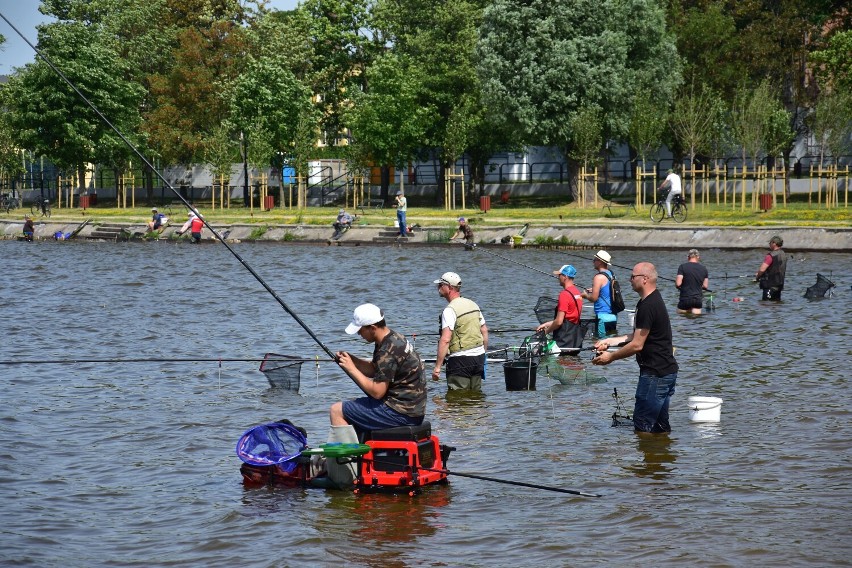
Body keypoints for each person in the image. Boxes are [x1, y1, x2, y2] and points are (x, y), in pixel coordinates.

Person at [592, 262, 678, 433]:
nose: (630, 279)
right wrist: (610, 341)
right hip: (666, 372)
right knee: (660, 427)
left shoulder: (649, 305)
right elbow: (637, 336)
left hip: (655, 374)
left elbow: (637, 345)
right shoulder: (647, 301)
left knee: (642, 426)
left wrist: (610, 357)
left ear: (645, 279)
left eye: (633, 276)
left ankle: (649, 457)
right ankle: (660, 456)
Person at [330, 303, 426, 436]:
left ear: (372, 328)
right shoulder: (393, 338)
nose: (358, 333)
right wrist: (353, 361)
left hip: (401, 413)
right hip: (412, 410)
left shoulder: (387, 350)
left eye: (360, 330)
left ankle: (347, 457)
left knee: (337, 410)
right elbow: (376, 370)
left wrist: (351, 369)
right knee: (353, 405)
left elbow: (377, 392)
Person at [432, 271, 489, 391]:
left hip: (460, 361)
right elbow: (484, 330)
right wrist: (483, 354)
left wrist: (437, 368)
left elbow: (446, 339)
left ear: (450, 287)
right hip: (478, 359)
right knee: (475, 397)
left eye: (441, 285)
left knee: (457, 401)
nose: (438, 287)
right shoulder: (473, 304)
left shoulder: (449, 310)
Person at [536, 264, 584, 349]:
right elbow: (569, 319)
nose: (558, 277)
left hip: (563, 342)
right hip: (575, 341)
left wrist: (546, 331)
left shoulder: (564, 294)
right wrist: (547, 324)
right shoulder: (577, 293)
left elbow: (559, 322)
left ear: (565, 277)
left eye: (559, 275)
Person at [581, 250, 617, 338]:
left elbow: (594, 298)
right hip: (613, 316)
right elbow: (608, 289)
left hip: (603, 316)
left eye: (595, 259)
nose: (593, 261)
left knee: (600, 345)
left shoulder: (598, 277)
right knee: (609, 343)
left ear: (600, 262)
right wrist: (595, 289)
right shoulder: (611, 274)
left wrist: (585, 295)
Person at [675, 249, 709, 314]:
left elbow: (678, 284)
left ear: (688, 257)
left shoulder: (682, 267)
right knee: (696, 321)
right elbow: (705, 286)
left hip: (685, 299)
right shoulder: (704, 269)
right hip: (697, 301)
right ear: (698, 257)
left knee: (681, 320)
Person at [755, 235, 786, 301]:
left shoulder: (770, 256)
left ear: (774, 243)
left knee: (766, 305)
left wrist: (757, 276)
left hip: (770, 285)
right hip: (779, 285)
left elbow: (762, 270)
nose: (769, 244)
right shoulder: (783, 254)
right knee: (776, 305)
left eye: (770, 243)